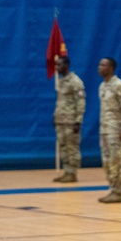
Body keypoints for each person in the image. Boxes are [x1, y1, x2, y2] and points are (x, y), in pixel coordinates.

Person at [97, 57, 121, 202]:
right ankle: (112, 188)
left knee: (117, 160)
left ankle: (118, 192)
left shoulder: (119, 85)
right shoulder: (103, 86)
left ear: (111, 68)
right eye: (100, 64)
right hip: (105, 129)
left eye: (103, 65)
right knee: (107, 161)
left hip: (117, 130)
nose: (99, 67)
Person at [52, 55, 85, 183]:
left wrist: (78, 121)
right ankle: (66, 171)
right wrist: (56, 117)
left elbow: (80, 102)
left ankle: (72, 172)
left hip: (71, 121)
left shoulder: (75, 81)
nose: (56, 67)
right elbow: (61, 101)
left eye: (59, 65)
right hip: (61, 120)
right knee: (63, 147)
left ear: (66, 65)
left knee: (72, 147)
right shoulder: (61, 81)